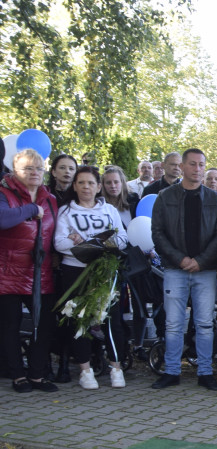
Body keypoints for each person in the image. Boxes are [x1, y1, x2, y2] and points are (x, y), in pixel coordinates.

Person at [150, 148, 217, 391]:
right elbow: (158, 233)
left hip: (204, 271)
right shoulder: (165, 197)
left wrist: (201, 261)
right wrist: (181, 259)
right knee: (173, 324)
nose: (197, 169)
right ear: (182, 167)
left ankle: (205, 372)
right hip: (175, 268)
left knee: (204, 323)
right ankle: (172, 371)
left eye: (201, 164)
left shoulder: (214, 199)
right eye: (192, 164)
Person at [54, 166, 129, 389]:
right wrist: (81, 245)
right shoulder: (66, 211)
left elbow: (122, 238)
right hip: (75, 273)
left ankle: (116, 367)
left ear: (98, 187)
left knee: (111, 320)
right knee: (80, 320)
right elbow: (59, 243)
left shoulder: (109, 211)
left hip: (105, 272)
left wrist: (90, 244)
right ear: (75, 186)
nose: (86, 187)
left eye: (90, 183)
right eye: (81, 183)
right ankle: (85, 371)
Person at [0, 149, 60, 393]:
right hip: (8, 272)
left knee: (45, 324)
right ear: (15, 171)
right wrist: (31, 210)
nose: (35, 173)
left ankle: (36, 374)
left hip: (40, 272)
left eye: (38, 168)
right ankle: (17, 375)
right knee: (10, 326)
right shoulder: (4, 193)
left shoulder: (50, 198)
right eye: (28, 168)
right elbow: (3, 219)